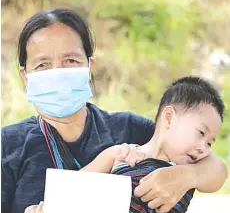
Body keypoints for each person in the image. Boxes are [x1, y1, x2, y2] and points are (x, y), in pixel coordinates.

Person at [1, 8, 228, 213]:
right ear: (25, 77)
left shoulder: (128, 129)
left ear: (90, 68)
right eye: (43, 65)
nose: (58, 72)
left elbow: (215, 168)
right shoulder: (8, 144)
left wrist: (187, 176)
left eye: (70, 60)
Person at [26, 76, 225, 213]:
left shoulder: (188, 170)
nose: (203, 148)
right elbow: (68, 190)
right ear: (170, 117)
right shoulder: (119, 155)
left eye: (209, 143)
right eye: (200, 133)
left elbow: (218, 177)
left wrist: (188, 176)